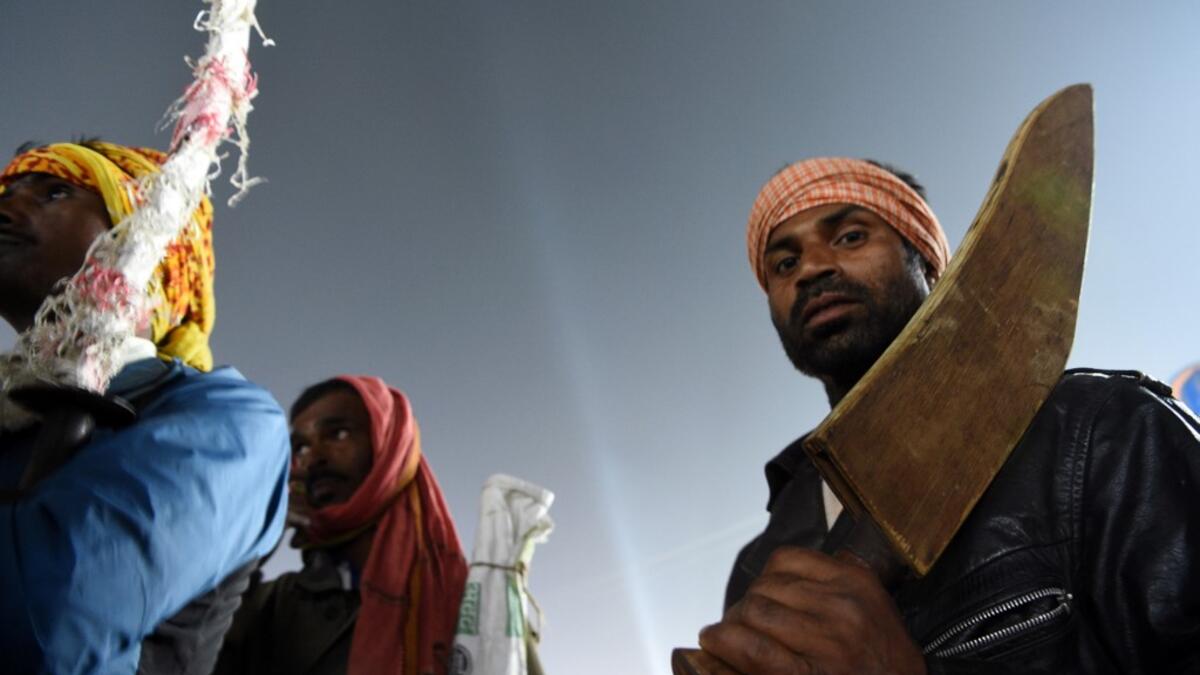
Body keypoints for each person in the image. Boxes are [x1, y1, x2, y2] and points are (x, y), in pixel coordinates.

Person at [697, 158, 1200, 674]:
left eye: (849, 236)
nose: (811, 268)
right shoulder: (760, 568)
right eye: (784, 264)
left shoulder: (1102, 431)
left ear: (930, 267)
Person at [0, 140, 290, 674]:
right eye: (9, 190)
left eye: (55, 192)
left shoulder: (230, 424)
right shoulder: (11, 410)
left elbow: (49, 620)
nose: (6, 206)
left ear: (145, 245)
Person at [215, 375, 468, 675]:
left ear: (390, 448)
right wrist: (258, 536)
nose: (313, 459)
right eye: (301, 449)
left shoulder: (467, 599)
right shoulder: (271, 605)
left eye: (339, 434)